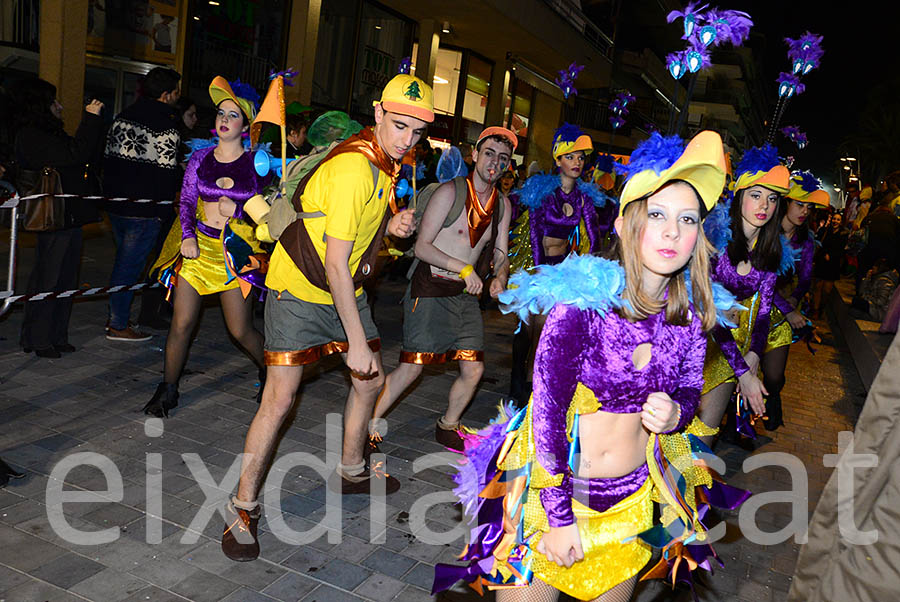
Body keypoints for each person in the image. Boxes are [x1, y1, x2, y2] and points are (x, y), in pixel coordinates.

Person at [433, 131, 746, 601]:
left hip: (629, 508)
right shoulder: (582, 308)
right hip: (550, 497)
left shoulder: (690, 317)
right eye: (657, 215)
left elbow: (687, 393)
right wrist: (558, 518)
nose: (671, 232)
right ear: (623, 225)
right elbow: (547, 416)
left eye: (687, 220)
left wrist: (676, 414)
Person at [221, 74, 433, 562]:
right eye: (399, 126)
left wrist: (394, 229)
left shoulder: (384, 164)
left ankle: (351, 468)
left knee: (368, 381)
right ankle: (241, 508)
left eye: (416, 133)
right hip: (301, 289)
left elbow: (356, 237)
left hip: (343, 289)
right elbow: (335, 261)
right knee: (280, 399)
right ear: (378, 113)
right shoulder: (356, 168)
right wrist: (355, 343)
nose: (406, 140)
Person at [371, 126, 515, 452]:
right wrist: (464, 268)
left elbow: (500, 252)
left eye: (502, 158)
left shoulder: (502, 206)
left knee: (474, 368)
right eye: (489, 153)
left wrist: (500, 277)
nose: (494, 163)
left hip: (465, 296)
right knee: (412, 367)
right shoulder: (449, 193)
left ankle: (448, 425)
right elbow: (422, 247)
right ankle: (368, 424)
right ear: (475, 155)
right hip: (431, 287)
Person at [143, 77, 268, 418]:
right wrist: (186, 236)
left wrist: (238, 210)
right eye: (220, 113)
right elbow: (185, 200)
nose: (224, 119)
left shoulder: (257, 164)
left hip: (233, 257)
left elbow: (268, 215)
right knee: (181, 324)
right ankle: (167, 389)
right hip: (197, 252)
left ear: (245, 125)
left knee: (240, 330)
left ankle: (270, 371)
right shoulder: (200, 157)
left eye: (233, 115)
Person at [697, 144, 790, 445]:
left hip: (731, 346)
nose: (764, 205)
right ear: (739, 195)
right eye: (756, 195)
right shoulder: (714, 237)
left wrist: (752, 356)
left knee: (703, 441)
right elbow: (707, 311)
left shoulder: (771, 251)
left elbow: (763, 312)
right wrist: (744, 371)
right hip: (697, 339)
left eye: (772, 198)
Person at [507, 123, 608, 403]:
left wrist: (594, 273)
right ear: (558, 159)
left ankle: (533, 397)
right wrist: (541, 276)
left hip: (562, 271)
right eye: (570, 156)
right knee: (526, 335)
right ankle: (519, 386)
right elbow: (535, 234)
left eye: (581, 157)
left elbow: (592, 237)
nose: (576, 163)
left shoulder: (584, 197)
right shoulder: (543, 193)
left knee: (544, 335)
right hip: (536, 267)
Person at [14, 78, 105, 358]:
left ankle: (56, 335)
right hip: (52, 215)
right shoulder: (32, 134)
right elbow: (74, 154)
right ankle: (39, 338)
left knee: (65, 278)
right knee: (49, 277)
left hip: (68, 214)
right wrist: (90, 120)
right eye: (54, 101)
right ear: (40, 105)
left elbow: (82, 153)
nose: (60, 106)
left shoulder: (49, 131)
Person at [104, 66, 182, 341]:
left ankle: (116, 318)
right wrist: (162, 211)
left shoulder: (123, 116)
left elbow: (108, 160)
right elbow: (166, 172)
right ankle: (118, 323)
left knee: (123, 262)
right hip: (145, 208)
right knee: (130, 266)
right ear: (166, 94)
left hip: (116, 203)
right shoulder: (166, 124)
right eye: (176, 91)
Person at [762, 171, 830, 430]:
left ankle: (772, 400)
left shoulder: (806, 241)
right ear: (785, 203)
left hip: (783, 314)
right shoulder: (765, 232)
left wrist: (795, 297)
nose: (804, 211)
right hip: (757, 308)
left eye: (809, 207)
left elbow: (805, 278)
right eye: (799, 204)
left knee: (775, 375)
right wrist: (788, 307)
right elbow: (762, 279)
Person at [811, 212, 848, 319]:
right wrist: (824, 254)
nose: (835, 221)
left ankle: (822, 308)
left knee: (827, 290)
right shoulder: (824, 231)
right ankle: (816, 310)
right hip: (821, 262)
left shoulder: (843, 234)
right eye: (834, 219)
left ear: (841, 222)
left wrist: (832, 255)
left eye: (838, 220)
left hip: (833, 265)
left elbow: (842, 251)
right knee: (818, 287)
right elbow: (818, 244)